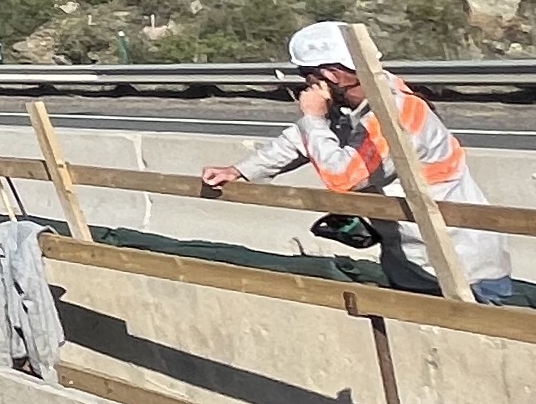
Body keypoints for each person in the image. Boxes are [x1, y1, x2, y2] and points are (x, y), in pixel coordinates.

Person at [204, 22, 517, 304]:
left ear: (331, 76)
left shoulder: (396, 112)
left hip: (462, 268)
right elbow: (301, 140)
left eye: (306, 77)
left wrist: (313, 117)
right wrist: (240, 171)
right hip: (411, 261)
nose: (305, 87)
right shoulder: (349, 109)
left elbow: (343, 178)